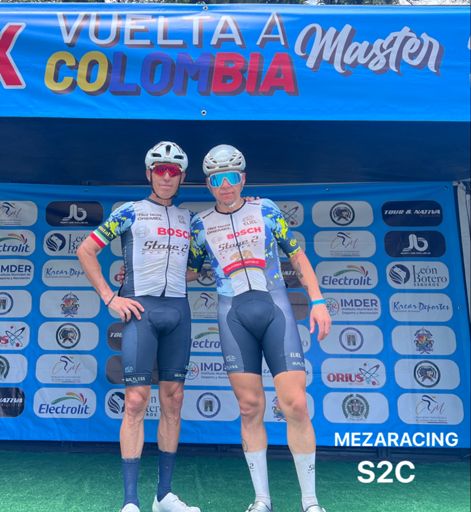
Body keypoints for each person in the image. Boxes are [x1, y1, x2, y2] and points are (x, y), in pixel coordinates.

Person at [188, 145, 331, 512]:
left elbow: (296, 255)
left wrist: (317, 300)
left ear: (243, 178)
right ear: (208, 184)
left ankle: (310, 501)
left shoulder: (265, 209)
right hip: (233, 316)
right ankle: (262, 500)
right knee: (250, 407)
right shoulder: (200, 224)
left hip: (275, 310)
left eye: (232, 177)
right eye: (217, 179)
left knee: (295, 403)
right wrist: (138, 277)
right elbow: (188, 270)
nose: (225, 185)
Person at [77, 141, 201, 512]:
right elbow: (85, 250)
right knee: (135, 400)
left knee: (174, 400)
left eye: (173, 171)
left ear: (182, 177)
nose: (167, 177)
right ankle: (130, 501)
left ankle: (163, 496)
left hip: (178, 312)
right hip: (140, 312)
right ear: (149, 173)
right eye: (160, 170)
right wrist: (109, 297)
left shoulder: (189, 219)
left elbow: (194, 269)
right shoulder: (129, 212)